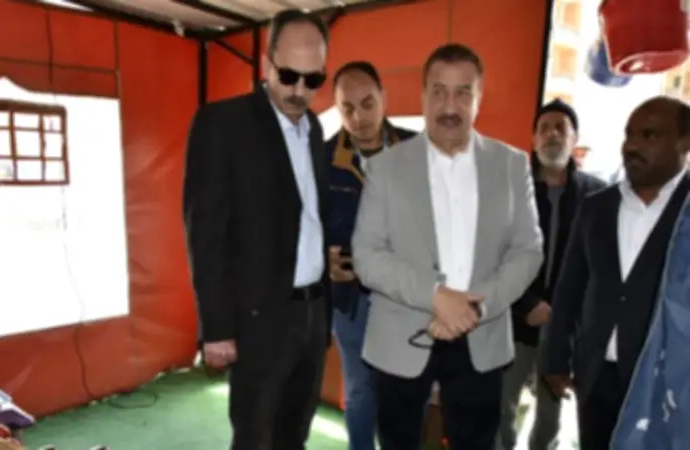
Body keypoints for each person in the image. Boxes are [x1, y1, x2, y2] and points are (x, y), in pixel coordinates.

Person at [351, 43, 543, 450]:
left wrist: (475, 308)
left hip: (482, 335)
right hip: (401, 336)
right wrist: (436, 296)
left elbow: (528, 251)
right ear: (423, 96)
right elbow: (367, 256)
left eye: (462, 93)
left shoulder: (512, 165)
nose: (449, 106)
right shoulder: (385, 168)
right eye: (438, 91)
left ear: (479, 98)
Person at [183, 9, 331, 450]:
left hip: (312, 313)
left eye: (313, 80)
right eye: (289, 76)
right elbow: (205, 234)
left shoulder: (314, 128)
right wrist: (216, 328)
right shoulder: (222, 124)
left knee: (294, 435)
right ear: (267, 65)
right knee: (254, 438)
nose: (299, 91)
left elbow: (309, 217)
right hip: (257, 320)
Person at [541, 96, 690, 450]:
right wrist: (555, 357)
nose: (632, 146)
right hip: (596, 376)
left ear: (684, 143)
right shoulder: (597, 207)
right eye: (629, 134)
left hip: (667, 383)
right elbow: (570, 288)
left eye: (650, 135)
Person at [496, 99, 606, 450]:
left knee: (550, 417)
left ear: (575, 139)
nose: (552, 134)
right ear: (533, 139)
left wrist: (568, 316)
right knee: (501, 409)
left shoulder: (597, 195)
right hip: (515, 322)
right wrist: (526, 304)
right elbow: (493, 256)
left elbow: (599, 267)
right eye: (544, 128)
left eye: (561, 127)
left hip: (564, 329)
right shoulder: (512, 191)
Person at [325, 60, 417, 450]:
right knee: (360, 389)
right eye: (347, 108)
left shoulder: (419, 151)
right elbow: (306, 227)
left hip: (405, 298)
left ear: (384, 98)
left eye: (367, 104)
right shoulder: (323, 159)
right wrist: (325, 263)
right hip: (351, 300)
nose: (359, 118)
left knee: (402, 388)